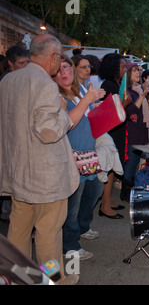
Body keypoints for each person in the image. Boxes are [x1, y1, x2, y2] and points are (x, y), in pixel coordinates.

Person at [0, 34, 80, 285]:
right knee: (48, 234)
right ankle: (53, 280)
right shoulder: (45, 84)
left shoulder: (8, 80)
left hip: (17, 171)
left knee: (19, 231)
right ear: (54, 56)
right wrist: (64, 113)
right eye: (59, 59)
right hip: (47, 177)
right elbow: (48, 133)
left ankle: (16, 279)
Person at [54, 54, 106, 260]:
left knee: (94, 190)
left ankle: (83, 227)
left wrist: (98, 107)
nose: (64, 72)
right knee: (72, 203)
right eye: (59, 70)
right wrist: (87, 102)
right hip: (72, 155)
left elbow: (88, 113)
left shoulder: (81, 90)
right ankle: (70, 245)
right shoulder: (58, 96)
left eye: (67, 67)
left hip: (88, 153)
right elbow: (68, 124)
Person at [97, 53, 130, 218]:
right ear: (113, 68)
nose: (126, 70)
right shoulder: (108, 85)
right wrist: (125, 103)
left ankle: (108, 201)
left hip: (117, 129)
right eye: (123, 67)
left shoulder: (115, 84)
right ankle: (105, 206)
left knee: (111, 168)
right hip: (111, 130)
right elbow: (111, 112)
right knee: (109, 167)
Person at [120, 63, 149, 202]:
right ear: (128, 74)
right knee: (131, 163)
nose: (138, 73)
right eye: (134, 70)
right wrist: (143, 95)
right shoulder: (128, 91)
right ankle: (125, 193)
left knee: (135, 162)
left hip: (141, 129)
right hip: (133, 131)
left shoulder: (139, 89)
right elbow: (131, 111)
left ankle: (130, 189)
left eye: (139, 70)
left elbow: (148, 110)